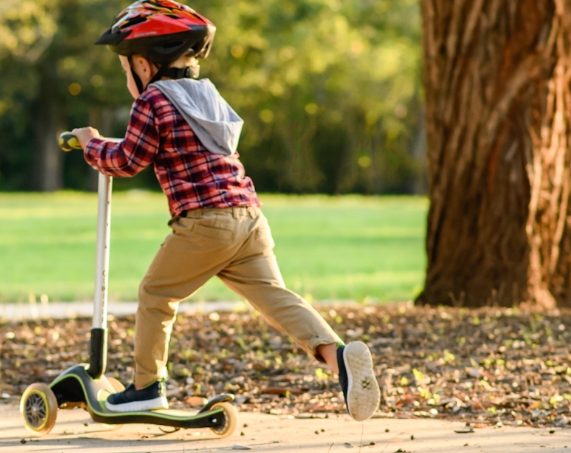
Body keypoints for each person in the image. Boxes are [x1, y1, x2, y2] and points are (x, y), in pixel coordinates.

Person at [69, 0, 380, 421]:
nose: (128, 75)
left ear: (143, 65)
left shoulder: (154, 100)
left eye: (126, 67)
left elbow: (127, 159)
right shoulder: (208, 95)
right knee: (274, 298)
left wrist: (90, 144)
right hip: (249, 216)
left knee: (156, 294)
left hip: (205, 222)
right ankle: (338, 355)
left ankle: (146, 388)